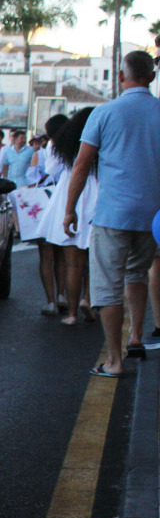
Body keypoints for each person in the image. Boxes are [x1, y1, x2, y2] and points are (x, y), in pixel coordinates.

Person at [64, 51, 160, 377]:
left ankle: (114, 360)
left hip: (112, 214)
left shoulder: (104, 113)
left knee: (107, 287)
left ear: (121, 77)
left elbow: (81, 165)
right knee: (137, 273)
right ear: (153, 76)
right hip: (152, 215)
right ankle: (135, 336)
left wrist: (69, 210)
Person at [35, 109, 96, 325]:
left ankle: (71, 313)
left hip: (69, 196)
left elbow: (51, 170)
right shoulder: (102, 140)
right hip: (97, 195)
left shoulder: (63, 143)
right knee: (94, 260)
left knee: (73, 264)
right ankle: (88, 298)